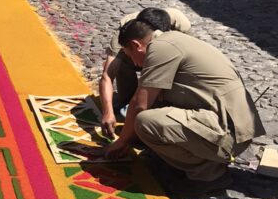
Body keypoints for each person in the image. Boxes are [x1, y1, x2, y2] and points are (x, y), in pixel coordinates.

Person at [105, 18, 263, 186]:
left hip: (229, 134)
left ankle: (208, 174)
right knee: (151, 112)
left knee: (145, 121)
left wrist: (122, 141)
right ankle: (191, 158)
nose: (136, 64)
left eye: (131, 57)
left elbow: (140, 103)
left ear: (136, 45)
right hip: (232, 125)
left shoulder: (161, 47)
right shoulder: (173, 39)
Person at [98, 6, 192, 139]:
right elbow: (107, 75)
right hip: (134, 50)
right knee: (121, 63)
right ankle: (128, 101)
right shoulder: (125, 33)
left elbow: (185, 60)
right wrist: (107, 112)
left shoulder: (179, 25)